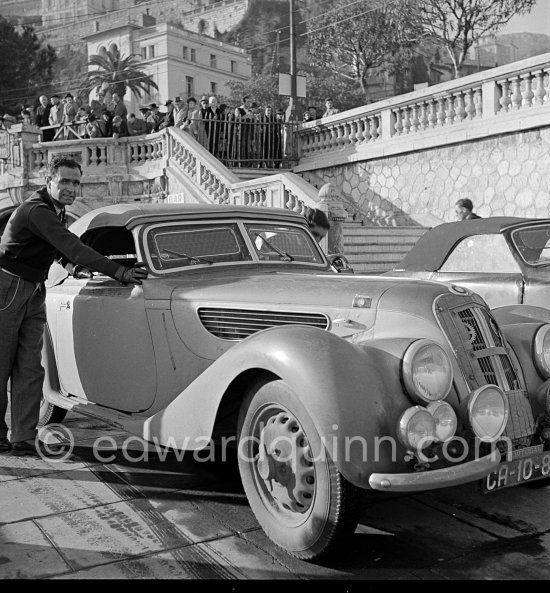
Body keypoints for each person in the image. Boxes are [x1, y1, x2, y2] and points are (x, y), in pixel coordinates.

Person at [0, 156, 148, 457]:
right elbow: (71, 245)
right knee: (1, 364)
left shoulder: (55, 211)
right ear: (49, 181)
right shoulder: (36, 210)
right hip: (8, 287)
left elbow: (57, 251)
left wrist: (74, 268)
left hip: (32, 289)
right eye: (65, 181)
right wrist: (119, 271)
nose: (71, 188)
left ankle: (23, 436)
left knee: (30, 367)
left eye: (76, 183)